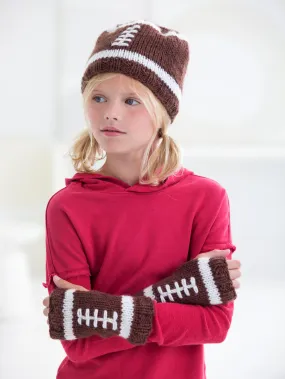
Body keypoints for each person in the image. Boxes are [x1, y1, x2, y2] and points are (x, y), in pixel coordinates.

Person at [42, 19, 241, 379]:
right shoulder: (67, 207)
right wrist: (187, 290)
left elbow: (214, 324)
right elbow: (77, 342)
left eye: (131, 100)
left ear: (163, 112)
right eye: (98, 97)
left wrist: (96, 311)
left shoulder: (207, 199)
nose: (110, 113)